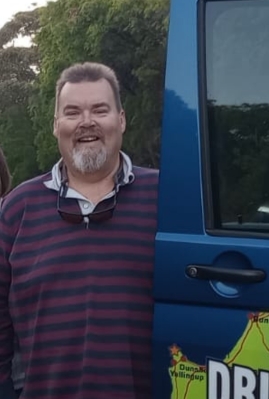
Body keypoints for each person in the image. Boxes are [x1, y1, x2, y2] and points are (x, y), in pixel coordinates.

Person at [0, 62, 159, 399]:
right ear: (56, 125)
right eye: (72, 112)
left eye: (100, 110)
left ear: (122, 120)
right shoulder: (16, 210)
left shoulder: (168, 199)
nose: (87, 121)